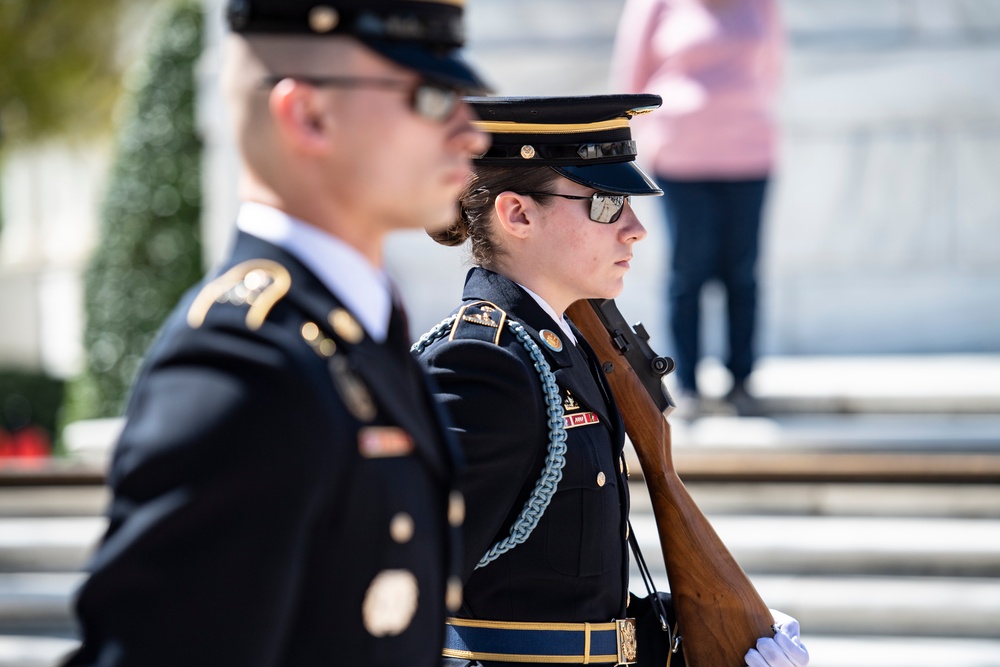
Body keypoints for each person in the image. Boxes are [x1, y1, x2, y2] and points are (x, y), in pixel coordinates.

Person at [63, 1, 489, 666]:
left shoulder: (357, 332)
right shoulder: (242, 364)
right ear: (308, 115)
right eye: (434, 97)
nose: (471, 133)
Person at [412, 95, 807, 667]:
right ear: (517, 215)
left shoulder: (572, 351)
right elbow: (391, 598)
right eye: (606, 205)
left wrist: (717, 638)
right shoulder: (483, 364)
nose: (636, 229)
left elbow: (564, 594)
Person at [610, 0, 784, 416]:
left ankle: (742, 382)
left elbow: (773, 69)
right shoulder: (655, 5)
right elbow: (631, 80)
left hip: (750, 156)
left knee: (742, 271)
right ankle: (687, 383)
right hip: (681, 162)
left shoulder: (762, 5)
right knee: (688, 271)